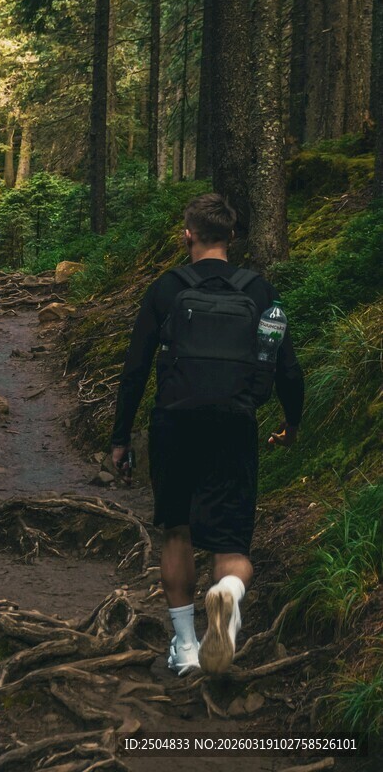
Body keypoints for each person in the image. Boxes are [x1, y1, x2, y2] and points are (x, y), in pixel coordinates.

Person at [111, 193, 304, 676]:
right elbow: (287, 368)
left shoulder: (167, 288)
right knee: (232, 546)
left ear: (187, 236)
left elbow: (135, 369)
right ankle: (229, 593)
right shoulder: (260, 292)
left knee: (176, 531)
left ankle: (187, 647)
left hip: (173, 423)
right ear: (232, 238)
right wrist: (292, 422)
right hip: (234, 423)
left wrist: (120, 438)